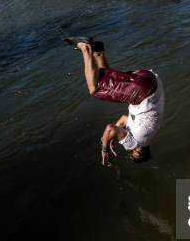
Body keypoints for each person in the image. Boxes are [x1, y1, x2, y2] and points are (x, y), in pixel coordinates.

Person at [65, 37, 165, 166]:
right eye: (131, 155)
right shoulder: (134, 144)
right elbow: (110, 128)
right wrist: (104, 148)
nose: (129, 153)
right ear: (138, 153)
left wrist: (112, 138)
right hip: (142, 93)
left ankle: (98, 51)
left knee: (109, 82)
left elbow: (123, 120)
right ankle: (85, 47)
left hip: (150, 80)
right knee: (94, 90)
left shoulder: (146, 135)